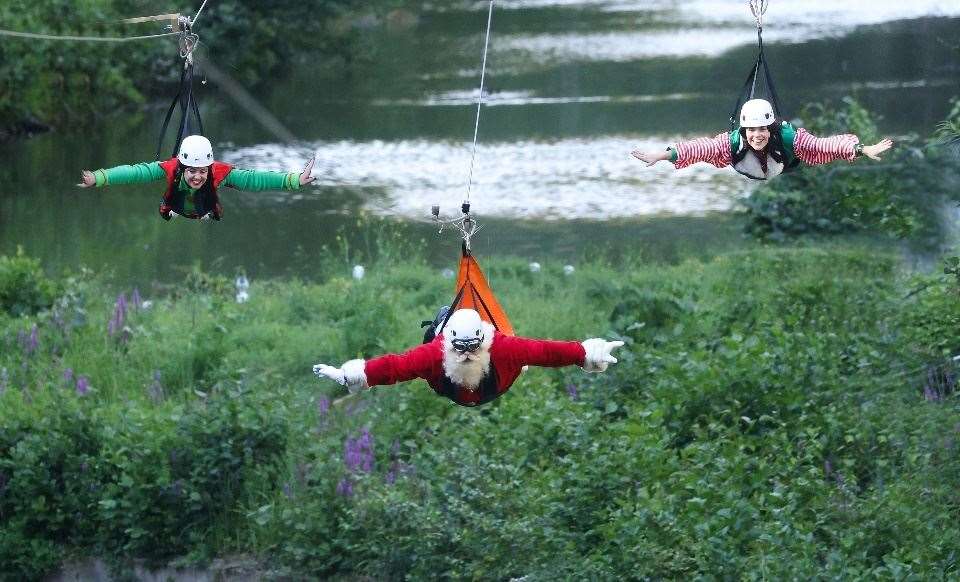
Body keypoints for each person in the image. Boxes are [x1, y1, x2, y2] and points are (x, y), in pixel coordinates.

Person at [312, 308, 624, 407]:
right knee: (420, 358)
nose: (466, 355)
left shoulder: (502, 346)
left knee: (522, 355)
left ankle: (517, 368)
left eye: (473, 348)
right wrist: (350, 374)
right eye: (460, 349)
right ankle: (441, 323)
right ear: (446, 341)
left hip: (498, 381)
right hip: (450, 387)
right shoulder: (433, 352)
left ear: (482, 340)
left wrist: (587, 353)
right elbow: (395, 366)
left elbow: (547, 351)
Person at [630, 99, 894, 181]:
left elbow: (822, 146)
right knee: (708, 151)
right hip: (746, 165)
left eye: (762, 130)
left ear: (770, 128)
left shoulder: (787, 137)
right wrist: (660, 155)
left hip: (781, 162)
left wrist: (861, 149)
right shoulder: (732, 142)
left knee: (811, 149)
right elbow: (698, 148)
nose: (757, 135)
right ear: (744, 131)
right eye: (752, 130)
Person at [78, 135, 317, 220]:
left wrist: (294, 180)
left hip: (204, 209)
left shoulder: (219, 173)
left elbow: (255, 179)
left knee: (210, 205)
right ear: (182, 167)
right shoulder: (170, 168)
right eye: (192, 171)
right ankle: (170, 209)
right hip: (176, 206)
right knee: (170, 205)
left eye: (202, 171)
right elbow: (135, 172)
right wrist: (100, 178)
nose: (197, 177)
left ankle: (205, 211)